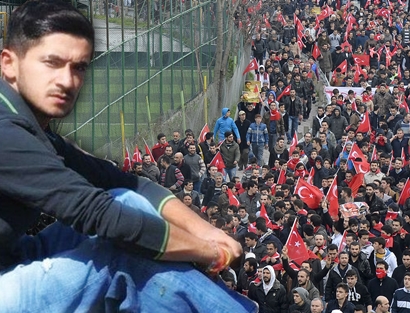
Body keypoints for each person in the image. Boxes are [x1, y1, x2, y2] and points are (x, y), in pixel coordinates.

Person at [0, 1, 254, 311]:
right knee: (120, 252)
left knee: (127, 201)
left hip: (12, 256)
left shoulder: (28, 124)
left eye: (78, 66)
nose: (67, 81)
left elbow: (124, 183)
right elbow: (100, 215)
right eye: (51, 63)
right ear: (9, 64)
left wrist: (208, 231)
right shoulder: (5, 132)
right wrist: (208, 252)